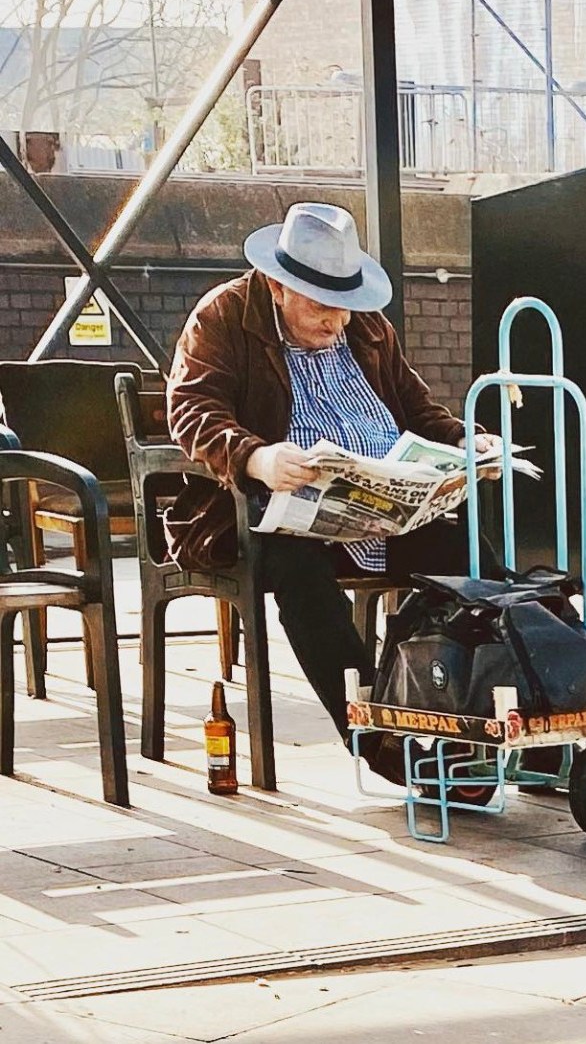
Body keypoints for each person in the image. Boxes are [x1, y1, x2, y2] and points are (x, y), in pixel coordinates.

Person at [166, 201, 499, 787]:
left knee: (467, 552)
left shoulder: (369, 327)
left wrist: (468, 445)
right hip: (269, 515)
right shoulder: (222, 316)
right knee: (298, 571)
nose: (338, 322)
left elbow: (419, 411)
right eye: (322, 306)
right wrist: (257, 457)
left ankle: (512, 714)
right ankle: (381, 741)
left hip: (380, 511)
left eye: (345, 306)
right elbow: (191, 411)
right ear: (277, 285)